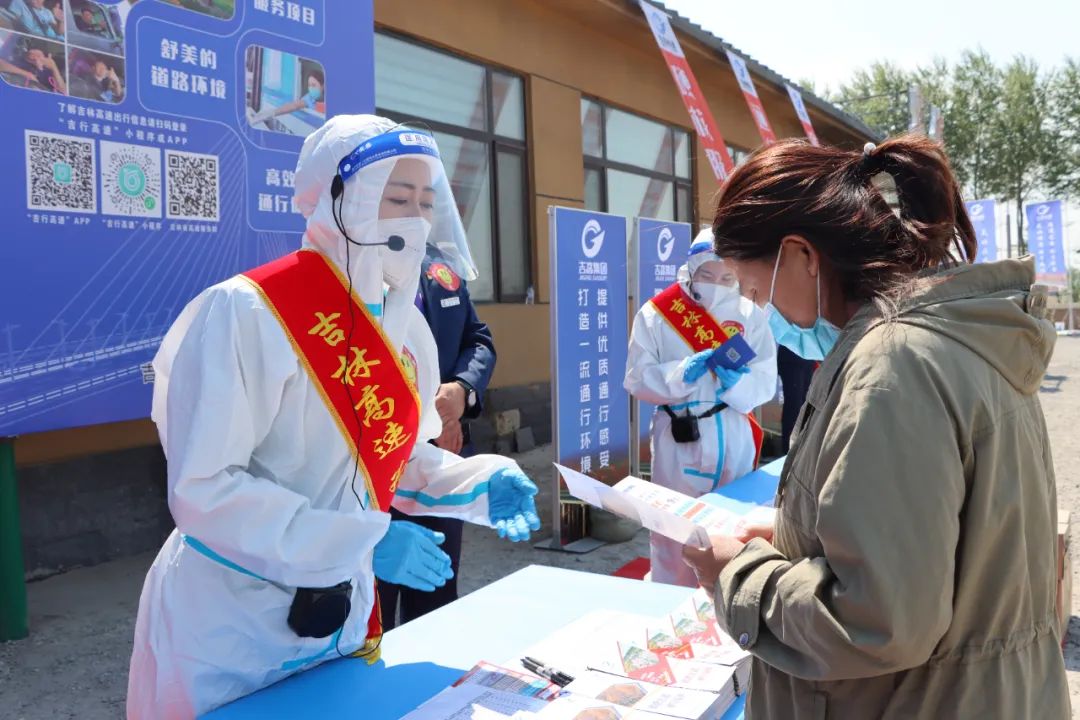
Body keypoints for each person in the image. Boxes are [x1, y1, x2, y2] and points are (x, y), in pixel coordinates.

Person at [127, 115, 542, 718]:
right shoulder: (249, 311)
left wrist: (477, 480)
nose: (414, 219)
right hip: (233, 621)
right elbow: (204, 487)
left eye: (426, 202)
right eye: (396, 198)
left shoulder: (405, 328)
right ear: (333, 196)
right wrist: (360, 544)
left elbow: (393, 461)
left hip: (340, 608)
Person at [683, 137, 1070, 718]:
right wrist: (796, 532)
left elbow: (878, 621)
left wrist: (733, 576)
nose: (754, 304)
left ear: (801, 256)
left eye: (751, 283)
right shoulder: (955, 340)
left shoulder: (893, 364)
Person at [624, 231, 776, 587]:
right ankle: (670, 600)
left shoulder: (750, 316)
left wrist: (736, 384)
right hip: (679, 438)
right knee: (673, 530)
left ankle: (729, 608)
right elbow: (636, 380)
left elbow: (766, 381)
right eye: (707, 275)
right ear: (691, 271)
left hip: (733, 433)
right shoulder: (658, 313)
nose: (717, 284)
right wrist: (681, 373)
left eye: (726, 277)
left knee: (735, 527)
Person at [378, 249, 497, 628]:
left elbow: (477, 340)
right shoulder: (347, 268)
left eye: (427, 201)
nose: (417, 210)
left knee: (436, 592)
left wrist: (462, 390)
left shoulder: (439, 270)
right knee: (373, 604)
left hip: (442, 458)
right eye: (400, 197)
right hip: (372, 466)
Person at [250, 69, 325, 125]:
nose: (311, 88)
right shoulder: (310, 98)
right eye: (309, 85)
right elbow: (294, 105)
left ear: (323, 86)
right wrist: (271, 113)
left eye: (314, 85)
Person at [775, 345, 814, 452]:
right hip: (792, 360)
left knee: (806, 406)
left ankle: (801, 447)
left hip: (808, 358)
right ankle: (788, 450)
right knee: (793, 407)